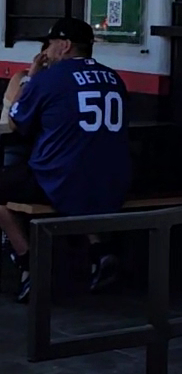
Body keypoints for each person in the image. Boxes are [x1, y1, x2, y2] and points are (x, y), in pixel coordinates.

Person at [0, 18, 131, 303]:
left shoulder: (50, 79)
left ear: (65, 45)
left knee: (21, 185)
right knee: (81, 182)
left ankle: (29, 264)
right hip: (114, 178)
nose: (46, 52)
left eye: (49, 44)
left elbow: (15, 123)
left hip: (62, 178)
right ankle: (101, 252)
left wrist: (29, 79)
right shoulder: (114, 77)